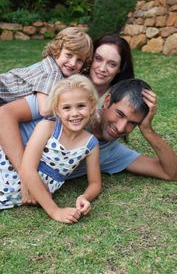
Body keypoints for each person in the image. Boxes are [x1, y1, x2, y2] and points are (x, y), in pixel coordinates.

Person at [0, 74, 101, 223]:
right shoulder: (47, 127)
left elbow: (95, 183)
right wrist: (55, 211)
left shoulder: (91, 144)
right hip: (7, 172)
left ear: (92, 106)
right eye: (66, 107)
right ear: (57, 110)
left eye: (81, 106)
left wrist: (84, 197)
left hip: (20, 194)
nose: (75, 113)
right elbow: (27, 169)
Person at [0, 27, 93, 115]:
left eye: (79, 60)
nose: (73, 63)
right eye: (69, 55)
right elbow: (44, 110)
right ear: (57, 50)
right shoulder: (53, 73)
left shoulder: (53, 66)